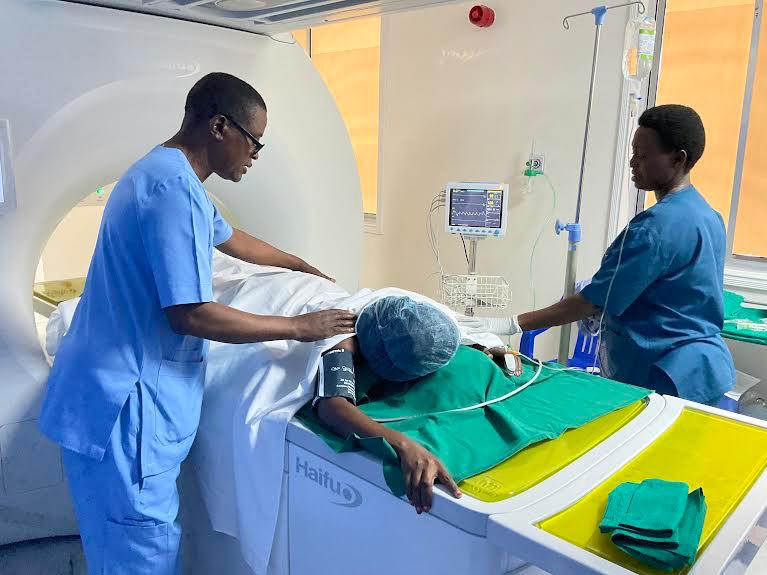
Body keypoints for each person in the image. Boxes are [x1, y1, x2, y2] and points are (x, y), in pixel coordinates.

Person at [38, 72, 356, 575]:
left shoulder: (167, 173)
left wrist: (295, 264)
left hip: (106, 395)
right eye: (254, 141)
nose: (255, 155)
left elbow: (230, 238)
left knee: (123, 548)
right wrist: (300, 326)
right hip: (126, 408)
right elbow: (189, 313)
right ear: (220, 127)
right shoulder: (173, 191)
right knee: (140, 555)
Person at [460, 104, 735, 405]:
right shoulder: (708, 217)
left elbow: (592, 302)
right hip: (703, 369)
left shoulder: (655, 227)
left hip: (663, 371)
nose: (632, 162)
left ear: (678, 159)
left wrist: (510, 323)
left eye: (643, 155)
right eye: (633, 152)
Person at [310, 295, 522, 515]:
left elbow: (476, 326)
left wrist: (490, 345)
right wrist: (404, 445)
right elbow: (331, 407)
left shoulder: (429, 317)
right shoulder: (343, 337)